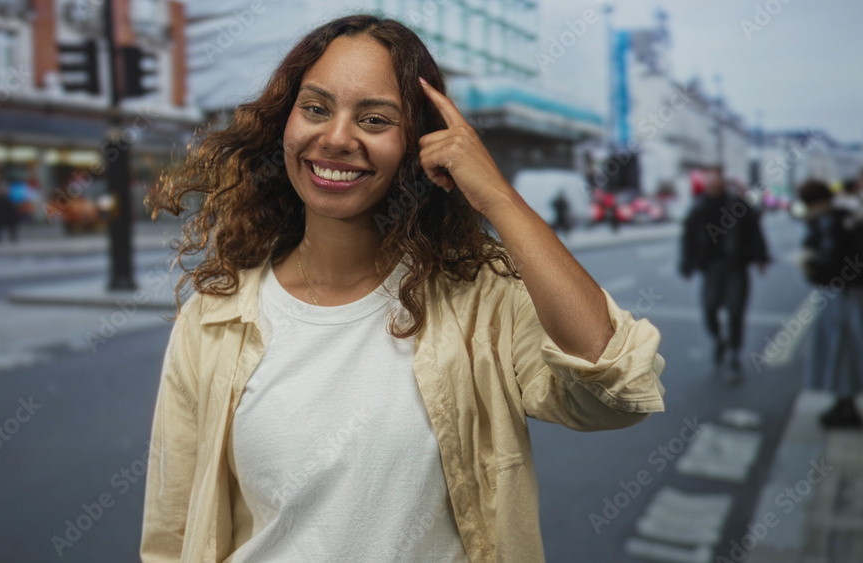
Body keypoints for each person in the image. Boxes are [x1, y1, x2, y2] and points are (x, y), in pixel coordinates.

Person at [140, 15, 666, 562]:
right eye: (316, 108)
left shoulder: (479, 302)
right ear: (285, 125)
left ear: (418, 145)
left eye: (374, 119)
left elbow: (619, 391)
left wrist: (498, 199)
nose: (337, 138)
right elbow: (171, 536)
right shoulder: (213, 320)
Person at [679, 166, 770, 373]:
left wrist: (761, 257)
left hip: (736, 265)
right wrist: (687, 263)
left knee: (735, 311)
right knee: (709, 309)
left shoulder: (738, 204)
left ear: (721, 180)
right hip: (710, 268)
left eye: (716, 178)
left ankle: (734, 353)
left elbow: (755, 231)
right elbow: (689, 238)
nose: (713, 182)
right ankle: (719, 340)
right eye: (709, 178)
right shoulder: (699, 207)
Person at [797, 180, 863, 428]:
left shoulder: (830, 223)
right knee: (844, 345)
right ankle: (844, 401)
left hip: (842, 293)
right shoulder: (844, 218)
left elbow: (832, 262)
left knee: (841, 345)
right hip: (847, 291)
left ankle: (845, 404)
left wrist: (810, 265)